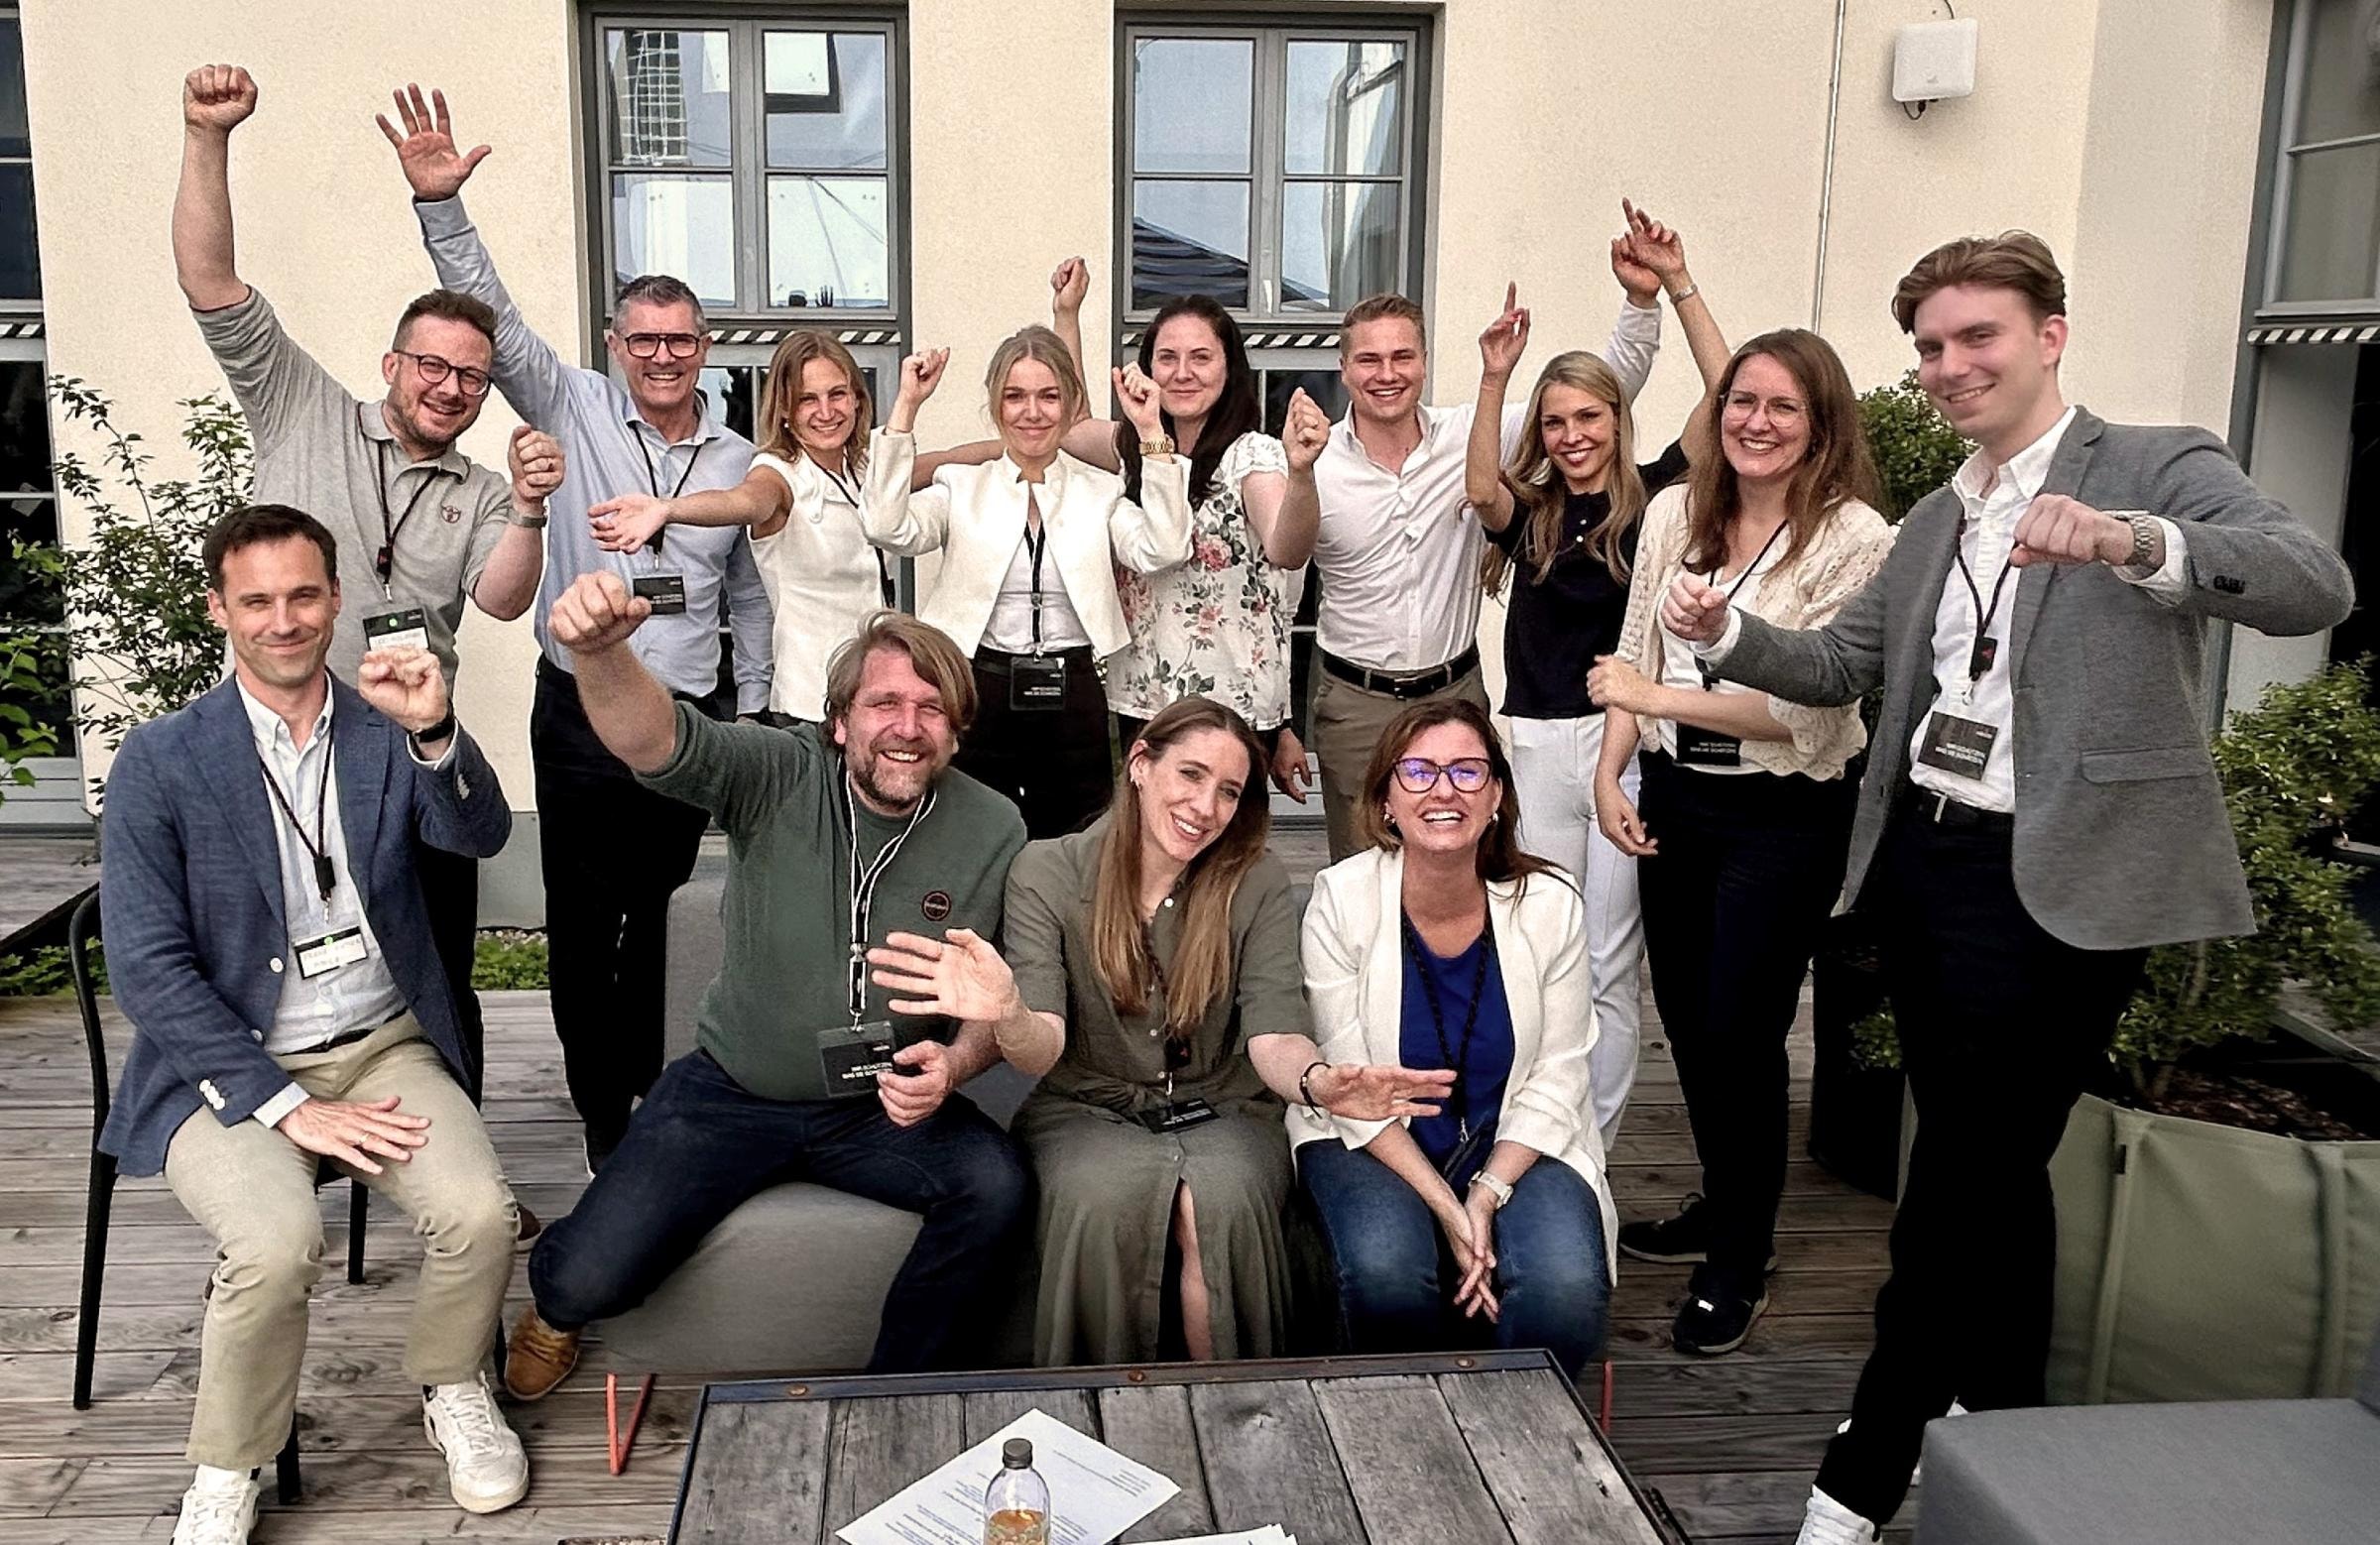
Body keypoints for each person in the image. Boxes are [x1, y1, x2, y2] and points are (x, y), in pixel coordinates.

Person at [1658, 234, 2357, 1545]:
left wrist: (2128, 543)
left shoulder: (2153, 463)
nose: (1950, 364)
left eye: (1976, 335)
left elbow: (2314, 577)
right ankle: (2015, 1423)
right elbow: (1834, 664)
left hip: (2067, 881)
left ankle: (1859, 1473)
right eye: (1929, 345)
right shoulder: (1939, 518)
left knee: (1957, 1180)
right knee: (1998, 1167)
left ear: (2051, 333)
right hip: (1930, 863)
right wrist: (1724, 633)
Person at [99, 506, 525, 1544]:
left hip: (383, 1039)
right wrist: (285, 1105)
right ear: (219, 609)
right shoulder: (161, 760)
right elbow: (150, 972)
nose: (283, 620)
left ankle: (452, 1384)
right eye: (257, 600)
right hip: (229, 1064)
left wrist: (435, 728)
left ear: (335, 600)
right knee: (278, 1240)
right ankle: (229, 1461)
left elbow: (480, 832)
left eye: (302, 596)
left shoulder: (385, 724)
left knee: (480, 1213)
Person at [504, 586, 1038, 1392]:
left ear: (956, 735)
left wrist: (955, 1069)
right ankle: (552, 1310)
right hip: (733, 1092)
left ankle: (896, 1393)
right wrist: (602, 652)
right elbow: (658, 741)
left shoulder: (994, 827)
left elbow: (997, 998)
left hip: (882, 1105)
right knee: (584, 1280)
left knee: (997, 1186)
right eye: (884, 701)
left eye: (933, 710)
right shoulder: (779, 773)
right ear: (839, 722)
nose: (907, 726)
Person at [383, 83, 776, 1171]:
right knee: (581, 927)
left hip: (687, 719)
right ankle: (606, 1116)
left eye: (681, 341)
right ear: (615, 344)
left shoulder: (736, 459)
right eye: (642, 340)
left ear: (706, 347)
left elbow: (746, 591)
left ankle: (664, 1095)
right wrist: (441, 210)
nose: (662, 357)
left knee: (666, 919)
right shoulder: (570, 404)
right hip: (580, 718)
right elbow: (493, 320)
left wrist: (757, 703)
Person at [176, 65, 557, 1125]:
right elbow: (210, 281)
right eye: (432, 366)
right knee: (257, 962)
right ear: (394, 362)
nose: (449, 387)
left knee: (436, 973)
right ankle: (269, 1139)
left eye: (471, 378)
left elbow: (504, 597)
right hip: (270, 752)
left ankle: (459, 1145)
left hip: (405, 762)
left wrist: (528, 510)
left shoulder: (481, 485)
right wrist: (207, 136)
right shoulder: (299, 403)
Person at [1585, 327, 1894, 1358]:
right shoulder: (1679, 509)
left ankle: (1741, 1260)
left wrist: (1647, 696)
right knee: (1686, 1016)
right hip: (1678, 795)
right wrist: (1608, 768)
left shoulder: (1856, 540)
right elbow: (1634, 649)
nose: (1755, 423)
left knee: (1742, 1031)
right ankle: (1724, 1200)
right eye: (1741, 403)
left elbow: (1807, 708)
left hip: (1784, 811)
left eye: (1782, 408)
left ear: (1821, 426)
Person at [1003, 696, 1457, 1366]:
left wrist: (1318, 1082)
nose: (1204, 807)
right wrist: (1003, 1013)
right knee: (1098, 1196)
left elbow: (1274, 1031)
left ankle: (1237, 1416)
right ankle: (1095, 1419)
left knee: (1222, 1198)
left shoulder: (1255, 878)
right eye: (1189, 775)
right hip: (1087, 1103)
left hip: (1225, 1101)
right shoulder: (1047, 870)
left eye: (1228, 792)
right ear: (1139, 764)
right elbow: (1040, 1042)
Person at [1468, 202, 1732, 1146]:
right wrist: (1497, 377)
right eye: (1557, 421)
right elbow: (1479, 489)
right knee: (1543, 950)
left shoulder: (1659, 497)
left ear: (1616, 418)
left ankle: (1593, 1150)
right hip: (1537, 746)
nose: (1573, 433)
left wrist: (1675, 286)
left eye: (1589, 415)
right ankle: (1531, 1126)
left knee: (1612, 965)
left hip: (1624, 753)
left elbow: (1729, 386)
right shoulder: (1532, 510)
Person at [1290, 698, 1616, 1379]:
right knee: (1386, 1278)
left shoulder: (1550, 903)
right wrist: (1448, 1207)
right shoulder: (1340, 898)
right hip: (1372, 1138)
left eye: (1468, 772)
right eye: (1418, 772)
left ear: (1497, 794)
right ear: (1384, 799)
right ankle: (1396, 1433)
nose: (1443, 790)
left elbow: (1560, 1072)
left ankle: (1514, 1440)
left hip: (1519, 1139)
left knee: (1562, 1291)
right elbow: (1350, 1086)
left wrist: (1486, 1192)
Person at [1306, 262, 1665, 861]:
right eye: (1368, 360)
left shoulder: (1471, 434)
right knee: (1363, 872)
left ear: (1424, 361)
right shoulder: (1315, 464)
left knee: (1467, 865)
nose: (1387, 373)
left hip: (1455, 692)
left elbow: (1607, 387)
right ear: (1344, 369)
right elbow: (1286, 567)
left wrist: (1641, 300)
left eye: (1402, 356)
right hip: (1355, 702)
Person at [859, 328, 1191, 838]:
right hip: (978, 682)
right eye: (1015, 396)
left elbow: (1163, 548)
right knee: (970, 834)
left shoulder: (1099, 489)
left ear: (1070, 401)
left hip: (1074, 685)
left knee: (1075, 838)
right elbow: (887, 525)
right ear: (996, 404)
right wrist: (905, 408)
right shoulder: (961, 484)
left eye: (1048, 395)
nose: (1032, 412)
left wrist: (1152, 434)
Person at [1037, 264, 1332, 777]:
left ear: (1228, 367)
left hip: (1230, 708)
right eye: (1166, 358)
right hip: (1141, 700)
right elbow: (1071, 425)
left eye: (1201, 357)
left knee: (1222, 854)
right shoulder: (1136, 447)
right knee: (1148, 852)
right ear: (1146, 369)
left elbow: (1288, 548)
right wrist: (1067, 314)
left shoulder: (1251, 456)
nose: (1182, 372)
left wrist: (1302, 473)